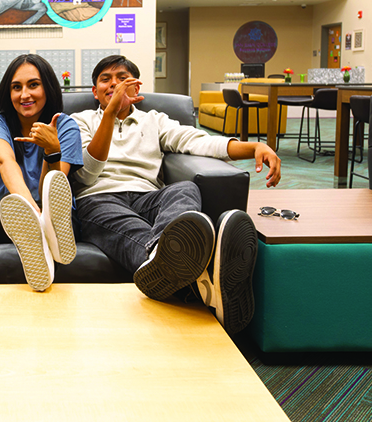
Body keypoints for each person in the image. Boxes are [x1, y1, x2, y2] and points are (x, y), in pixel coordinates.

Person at [71, 55, 282, 334]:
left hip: (147, 196)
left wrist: (254, 147)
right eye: (105, 80)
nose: (114, 84)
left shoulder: (154, 120)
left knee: (185, 189)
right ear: (95, 91)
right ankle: (201, 273)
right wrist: (109, 114)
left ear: (136, 89)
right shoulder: (80, 120)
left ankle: (168, 255)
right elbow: (86, 174)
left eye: (122, 78)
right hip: (100, 198)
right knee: (119, 220)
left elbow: (199, 142)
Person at [0, 54, 82, 292]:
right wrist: (34, 213)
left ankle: (42, 242)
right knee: (16, 211)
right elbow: (6, 163)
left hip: (53, 212)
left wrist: (52, 150)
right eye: (16, 87)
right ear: (8, 92)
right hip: (6, 214)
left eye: (33, 85)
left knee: (55, 207)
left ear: (48, 88)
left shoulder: (65, 126)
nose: (24, 95)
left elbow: (52, 188)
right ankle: (45, 237)